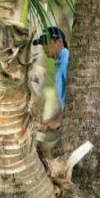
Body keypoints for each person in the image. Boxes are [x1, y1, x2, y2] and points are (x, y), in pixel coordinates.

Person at [33, 27, 69, 157]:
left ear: (58, 41)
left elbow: (74, 98)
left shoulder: (67, 60)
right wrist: (51, 120)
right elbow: (66, 100)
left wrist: (60, 120)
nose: (44, 47)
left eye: (46, 43)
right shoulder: (60, 62)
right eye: (42, 45)